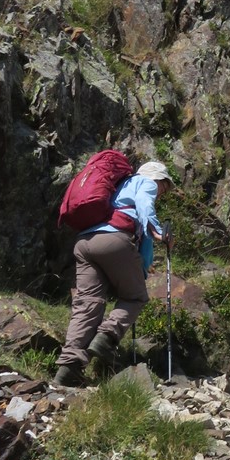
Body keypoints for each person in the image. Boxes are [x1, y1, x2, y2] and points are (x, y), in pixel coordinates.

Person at [55, 159, 174, 386]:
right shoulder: (145, 183)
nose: (161, 194)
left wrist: (140, 270)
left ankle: (68, 367)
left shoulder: (117, 187)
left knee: (87, 303)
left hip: (85, 243)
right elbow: (145, 206)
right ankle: (106, 338)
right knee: (135, 297)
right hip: (114, 240)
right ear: (157, 179)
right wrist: (160, 232)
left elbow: (143, 245)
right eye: (164, 188)